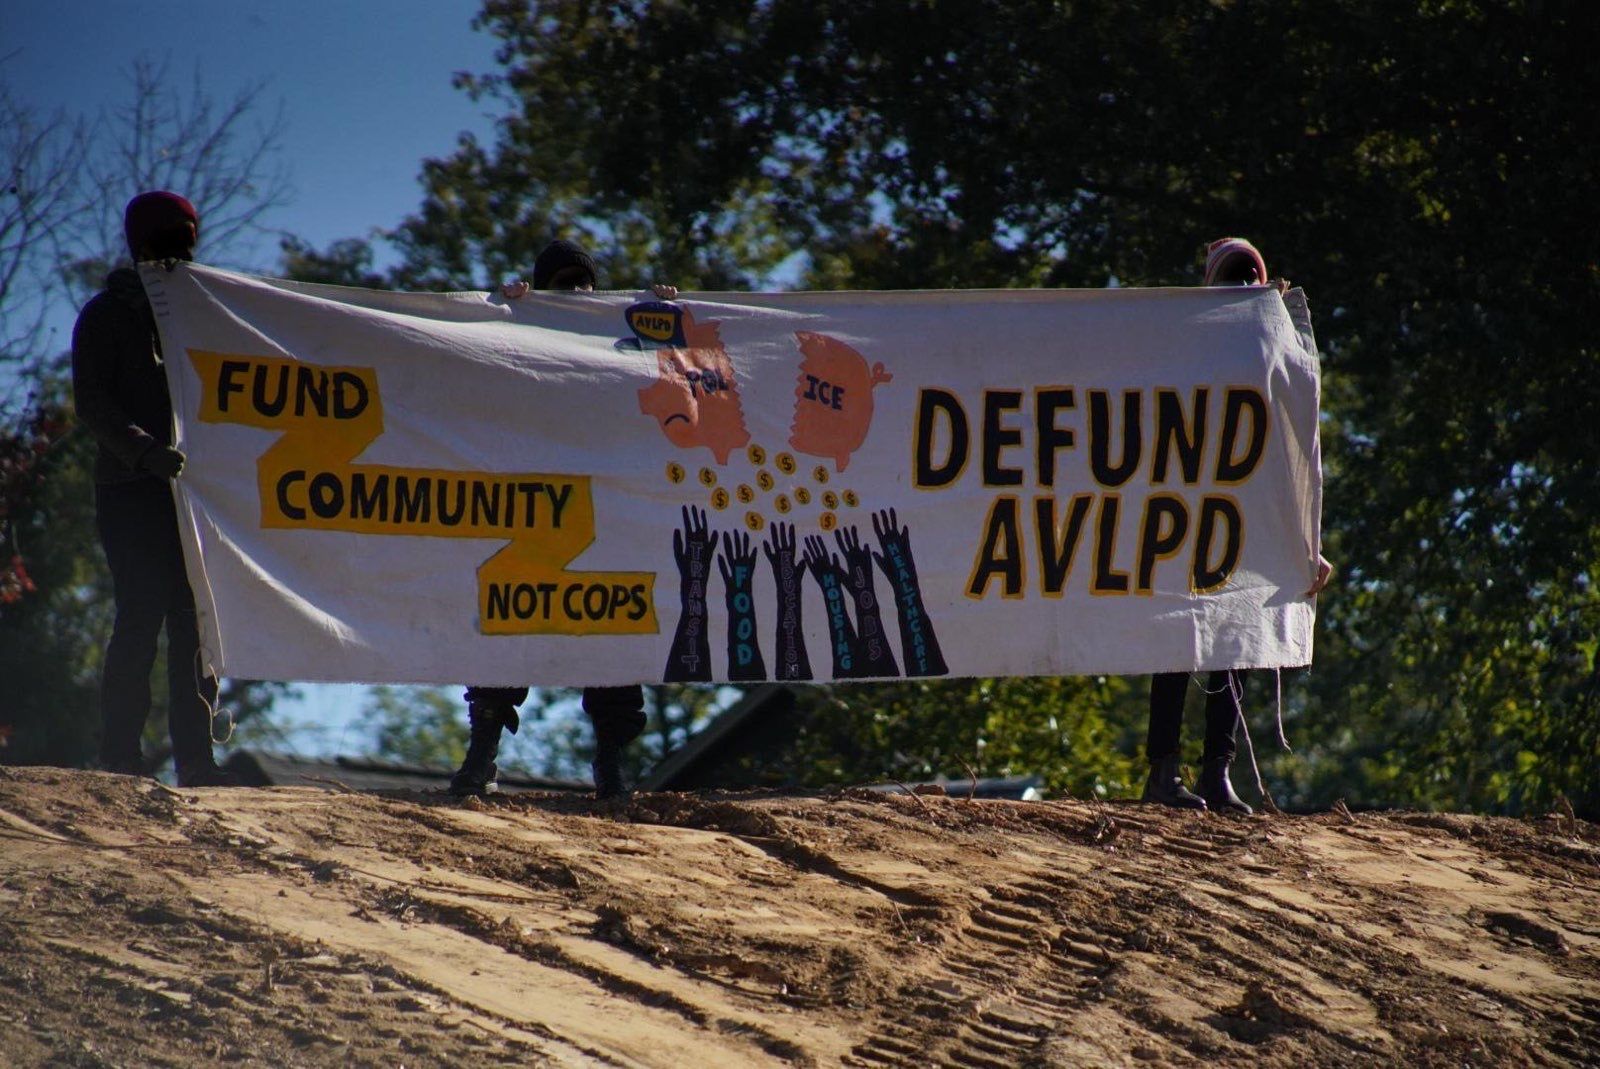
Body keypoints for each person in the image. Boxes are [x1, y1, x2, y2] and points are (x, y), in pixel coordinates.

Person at [450, 239, 675, 800]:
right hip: (537, 504)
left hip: (611, 504)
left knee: (616, 627)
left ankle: (612, 764)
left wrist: (671, 316)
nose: (575, 291)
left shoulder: (623, 333)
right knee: (507, 617)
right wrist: (502, 313)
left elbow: (670, 375)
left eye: (583, 281)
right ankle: (482, 755)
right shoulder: (520, 327)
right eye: (563, 282)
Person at [1141, 237, 1334, 814]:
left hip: (1246, 522)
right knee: (1176, 646)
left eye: (1251, 278)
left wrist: (1307, 542)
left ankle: (1215, 774)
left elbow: (1299, 451)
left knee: (1237, 646)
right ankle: (1163, 770)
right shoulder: (1182, 340)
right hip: (1185, 512)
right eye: (1232, 277)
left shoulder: (1273, 345)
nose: (1244, 287)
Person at [71, 191, 235, 788]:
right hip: (129, 490)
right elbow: (92, 402)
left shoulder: (204, 316)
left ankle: (196, 759)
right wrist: (144, 451)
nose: (183, 253)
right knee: (140, 617)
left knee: (195, 626)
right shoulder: (106, 315)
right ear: (142, 245)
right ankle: (120, 756)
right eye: (171, 241)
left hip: (192, 496)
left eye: (189, 241)